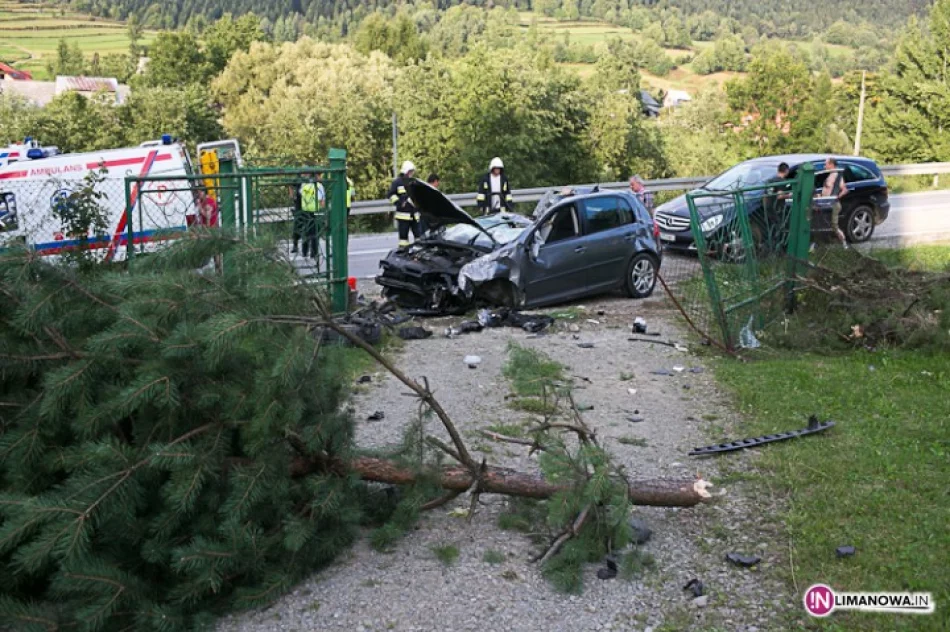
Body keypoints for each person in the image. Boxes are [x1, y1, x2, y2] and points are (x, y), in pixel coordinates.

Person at [388, 161, 420, 248]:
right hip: (403, 216)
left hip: (414, 215)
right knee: (403, 240)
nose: (412, 173)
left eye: (412, 171)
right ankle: (403, 254)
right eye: (411, 171)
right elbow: (391, 195)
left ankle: (418, 254)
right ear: (406, 171)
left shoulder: (414, 182)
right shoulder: (397, 182)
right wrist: (399, 203)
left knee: (419, 238)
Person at [819, 157, 848, 247]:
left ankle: (844, 243)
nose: (824, 166)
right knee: (822, 223)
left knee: (834, 226)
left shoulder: (837, 175)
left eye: (826, 164)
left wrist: (836, 197)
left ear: (831, 164)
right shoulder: (831, 174)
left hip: (833, 204)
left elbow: (845, 190)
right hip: (825, 203)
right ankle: (821, 243)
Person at [300, 173, 325, 259]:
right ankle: (314, 253)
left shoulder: (304, 185)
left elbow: (300, 195)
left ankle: (304, 252)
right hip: (315, 211)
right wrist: (322, 214)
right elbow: (322, 202)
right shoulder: (319, 186)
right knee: (315, 233)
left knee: (306, 232)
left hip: (305, 211)